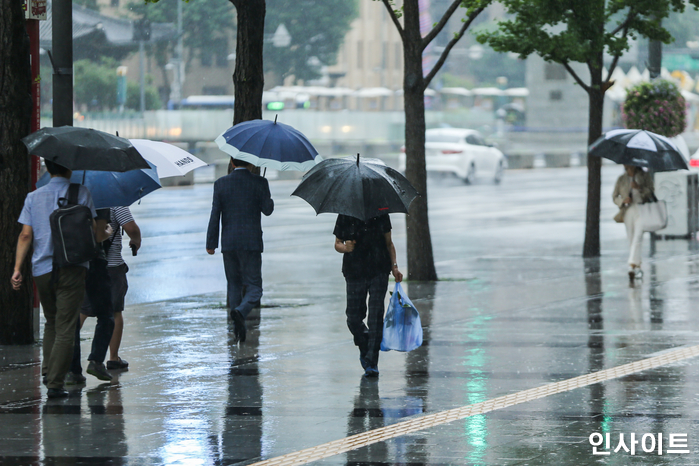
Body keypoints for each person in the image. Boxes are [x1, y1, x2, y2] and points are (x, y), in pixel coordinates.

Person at [11, 160, 107, 398]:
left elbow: (25, 235)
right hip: (72, 267)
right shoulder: (81, 192)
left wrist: (17, 268)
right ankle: (54, 383)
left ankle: (47, 371)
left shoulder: (34, 196)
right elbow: (94, 232)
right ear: (69, 168)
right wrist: (105, 234)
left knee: (52, 322)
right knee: (66, 326)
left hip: (41, 269)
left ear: (49, 168)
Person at [206, 158, 274, 343]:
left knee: (233, 285)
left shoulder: (221, 184)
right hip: (251, 243)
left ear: (232, 163)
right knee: (255, 288)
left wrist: (211, 243)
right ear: (252, 164)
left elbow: (215, 215)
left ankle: (236, 325)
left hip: (229, 243)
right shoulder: (260, 182)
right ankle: (240, 312)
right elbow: (268, 210)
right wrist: (267, 196)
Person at [334, 213, 403, 377]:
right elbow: (337, 243)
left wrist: (394, 267)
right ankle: (365, 343)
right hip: (354, 271)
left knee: (376, 316)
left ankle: (372, 361)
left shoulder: (381, 213)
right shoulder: (346, 213)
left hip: (378, 270)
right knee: (353, 318)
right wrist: (345, 247)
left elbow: (389, 243)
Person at [67, 208, 115, 384]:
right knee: (107, 315)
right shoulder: (100, 200)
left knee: (72, 318)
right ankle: (96, 360)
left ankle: (73, 371)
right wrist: (108, 231)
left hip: (70, 262)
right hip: (94, 262)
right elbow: (99, 235)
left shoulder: (66, 197)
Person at [105, 206, 141, 369]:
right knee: (115, 311)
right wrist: (136, 239)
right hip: (112, 266)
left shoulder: (83, 197)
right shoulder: (115, 201)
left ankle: (69, 356)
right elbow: (131, 227)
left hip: (88, 265)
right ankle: (113, 358)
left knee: (83, 311)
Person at [612, 164, 655, 280]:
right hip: (628, 210)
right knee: (631, 238)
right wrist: (622, 200)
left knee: (638, 237)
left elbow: (651, 192)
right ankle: (637, 266)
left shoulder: (644, 176)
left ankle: (631, 263)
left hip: (641, 209)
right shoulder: (622, 179)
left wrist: (639, 188)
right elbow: (614, 196)